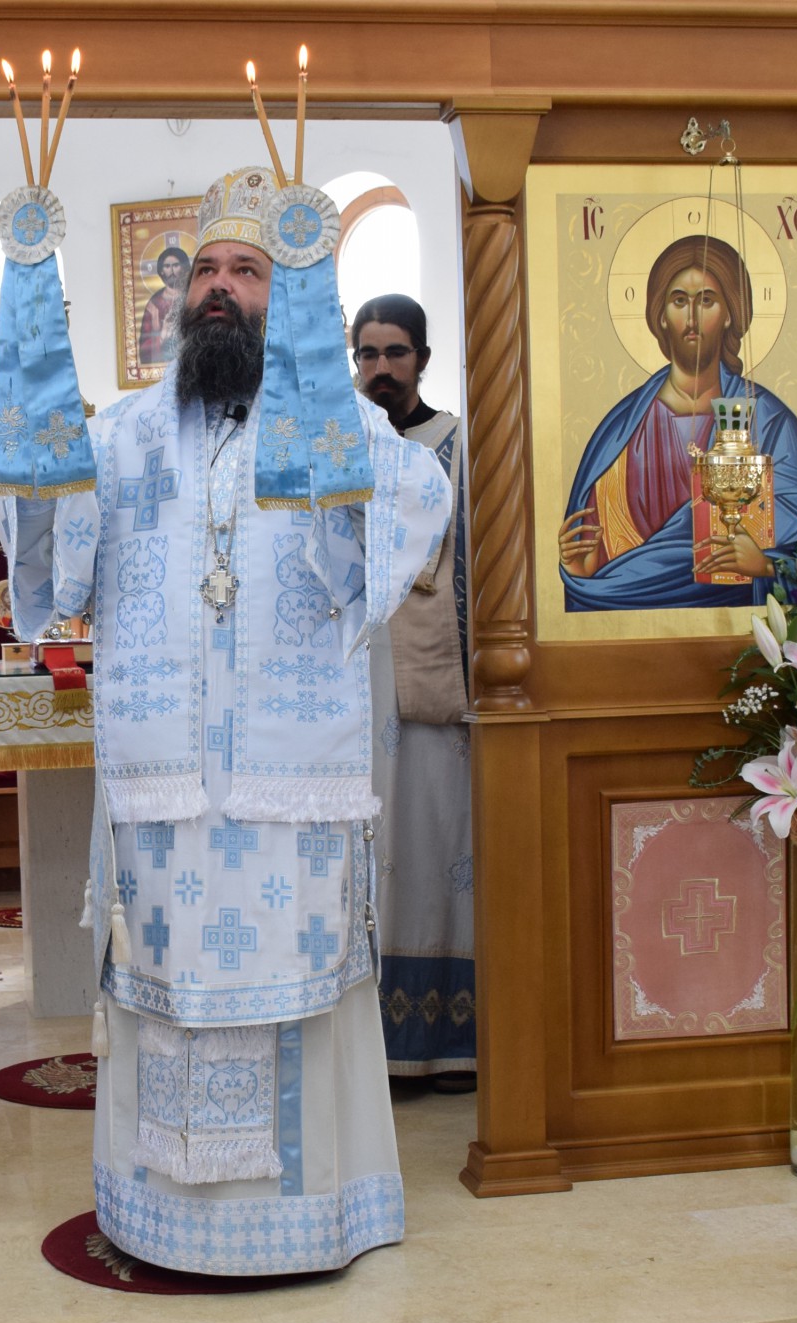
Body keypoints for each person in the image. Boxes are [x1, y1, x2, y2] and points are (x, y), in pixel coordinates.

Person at [0, 170, 451, 1275]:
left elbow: (413, 517)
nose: (218, 287)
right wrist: (32, 403)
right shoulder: (123, 435)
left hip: (289, 790)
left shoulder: (338, 428)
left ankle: (315, 1214)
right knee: (166, 994)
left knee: (301, 991)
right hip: (164, 791)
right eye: (205, 268)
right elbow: (50, 555)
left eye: (246, 270)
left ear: (282, 299)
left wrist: (323, 418)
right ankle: (163, 1215)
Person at [557, 235, 797, 611]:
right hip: (626, 629)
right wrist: (579, 572)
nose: (692, 318)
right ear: (661, 315)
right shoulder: (618, 434)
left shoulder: (770, 423)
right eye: (679, 300)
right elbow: (592, 569)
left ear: (729, 313)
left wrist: (764, 566)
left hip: (741, 635)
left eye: (707, 300)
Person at [351, 293, 475, 1087]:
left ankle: (441, 1043)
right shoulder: (338, 447)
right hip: (349, 682)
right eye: (368, 354)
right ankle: (364, 1049)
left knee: (433, 844)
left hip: (429, 679)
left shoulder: (458, 444)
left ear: (422, 359)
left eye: (396, 352)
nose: (382, 368)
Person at [137, 243, 190, 366]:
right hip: (163, 362)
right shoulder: (154, 304)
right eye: (167, 266)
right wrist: (162, 336)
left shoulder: (192, 298)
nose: (171, 271)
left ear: (184, 268)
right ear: (161, 271)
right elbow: (145, 348)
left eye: (176, 265)